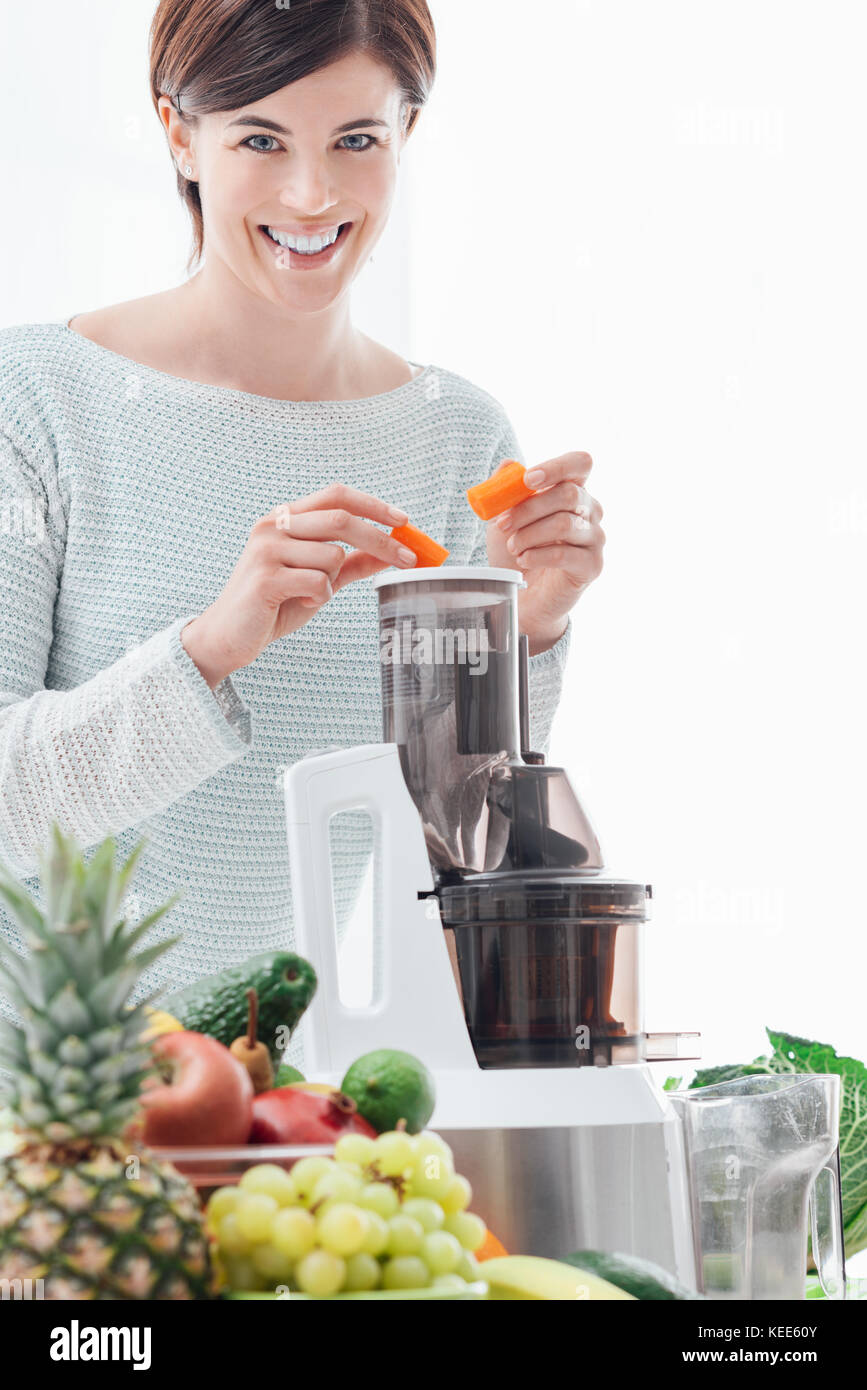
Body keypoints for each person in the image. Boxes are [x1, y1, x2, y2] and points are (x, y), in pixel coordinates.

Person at [0, 0, 604, 1070]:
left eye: (356, 140)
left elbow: (463, 840)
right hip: (40, 1110)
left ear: (407, 133)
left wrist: (531, 626)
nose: (312, 195)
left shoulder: (459, 435)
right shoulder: (36, 404)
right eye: (260, 139)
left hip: (285, 1103)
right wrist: (209, 650)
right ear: (178, 131)